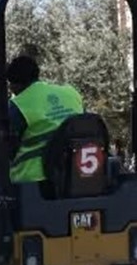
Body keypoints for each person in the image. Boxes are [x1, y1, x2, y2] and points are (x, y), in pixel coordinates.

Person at [6, 53, 84, 184]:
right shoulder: (71, 93)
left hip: (32, 181)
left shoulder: (18, 105)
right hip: (75, 174)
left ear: (13, 85)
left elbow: (7, 149)